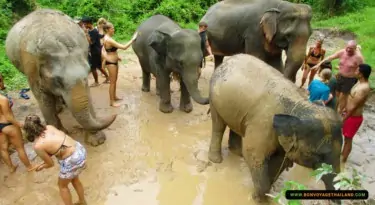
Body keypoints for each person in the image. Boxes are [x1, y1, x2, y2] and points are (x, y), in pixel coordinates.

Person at [23, 114, 87, 205]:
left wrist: (41, 167)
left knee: (62, 186)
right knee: (74, 179)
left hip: (71, 159)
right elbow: (55, 146)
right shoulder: (49, 127)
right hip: (79, 149)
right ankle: (82, 201)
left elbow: (50, 164)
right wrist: (43, 162)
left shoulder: (38, 146)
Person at [312, 40, 364, 114]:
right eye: (348, 47)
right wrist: (319, 64)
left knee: (343, 97)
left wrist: (359, 83)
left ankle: (338, 114)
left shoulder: (358, 58)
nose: (348, 50)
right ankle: (335, 110)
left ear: (355, 49)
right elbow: (330, 57)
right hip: (339, 76)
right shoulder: (342, 52)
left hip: (349, 79)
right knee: (337, 95)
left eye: (351, 49)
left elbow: (362, 70)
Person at [0, 74, 35, 173]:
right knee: (20, 147)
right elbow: (8, 117)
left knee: (3, 148)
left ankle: (11, 168)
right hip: (8, 125)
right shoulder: (3, 99)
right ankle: (29, 167)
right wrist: (19, 124)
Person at [341, 64, 372, 163]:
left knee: (348, 140)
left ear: (361, 74)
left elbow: (353, 106)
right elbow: (350, 100)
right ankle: (342, 155)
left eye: (357, 70)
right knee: (345, 138)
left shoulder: (363, 88)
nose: (355, 72)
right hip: (349, 115)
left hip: (353, 118)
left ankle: (343, 162)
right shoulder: (360, 82)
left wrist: (344, 118)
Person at [101, 22, 137, 107]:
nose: (114, 29)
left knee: (114, 81)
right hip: (111, 63)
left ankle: (114, 97)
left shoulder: (107, 37)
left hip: (113, 61)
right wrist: (133, 39)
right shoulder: (108, 39)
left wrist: (117, 57)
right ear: (107, 30)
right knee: (112, 82)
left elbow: (106, 50)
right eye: (112, 28)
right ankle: (112, 101)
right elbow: (124, 47)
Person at [81, 16, 110, 86]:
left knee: (93, 68)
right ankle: (107, 77)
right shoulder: (92, 30)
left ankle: (96, 82)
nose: (84, 26)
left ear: (88, 23)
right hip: (96, 51)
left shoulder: (93, 31)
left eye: (85, 24)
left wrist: (86, 33)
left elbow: (91, 43)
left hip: (95, 52)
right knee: (99, 67)